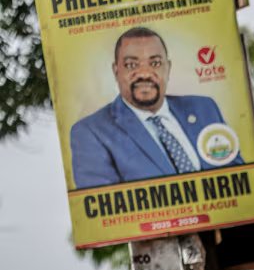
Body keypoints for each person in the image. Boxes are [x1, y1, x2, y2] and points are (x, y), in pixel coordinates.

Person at [70, 26, 242, 190]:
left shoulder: (204, 108)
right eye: (131, 65)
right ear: (116, 71)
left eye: (155, 63)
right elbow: (106, 210)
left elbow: (238, 177)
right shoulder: (91, 132)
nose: (145, 73)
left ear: (168, 68)